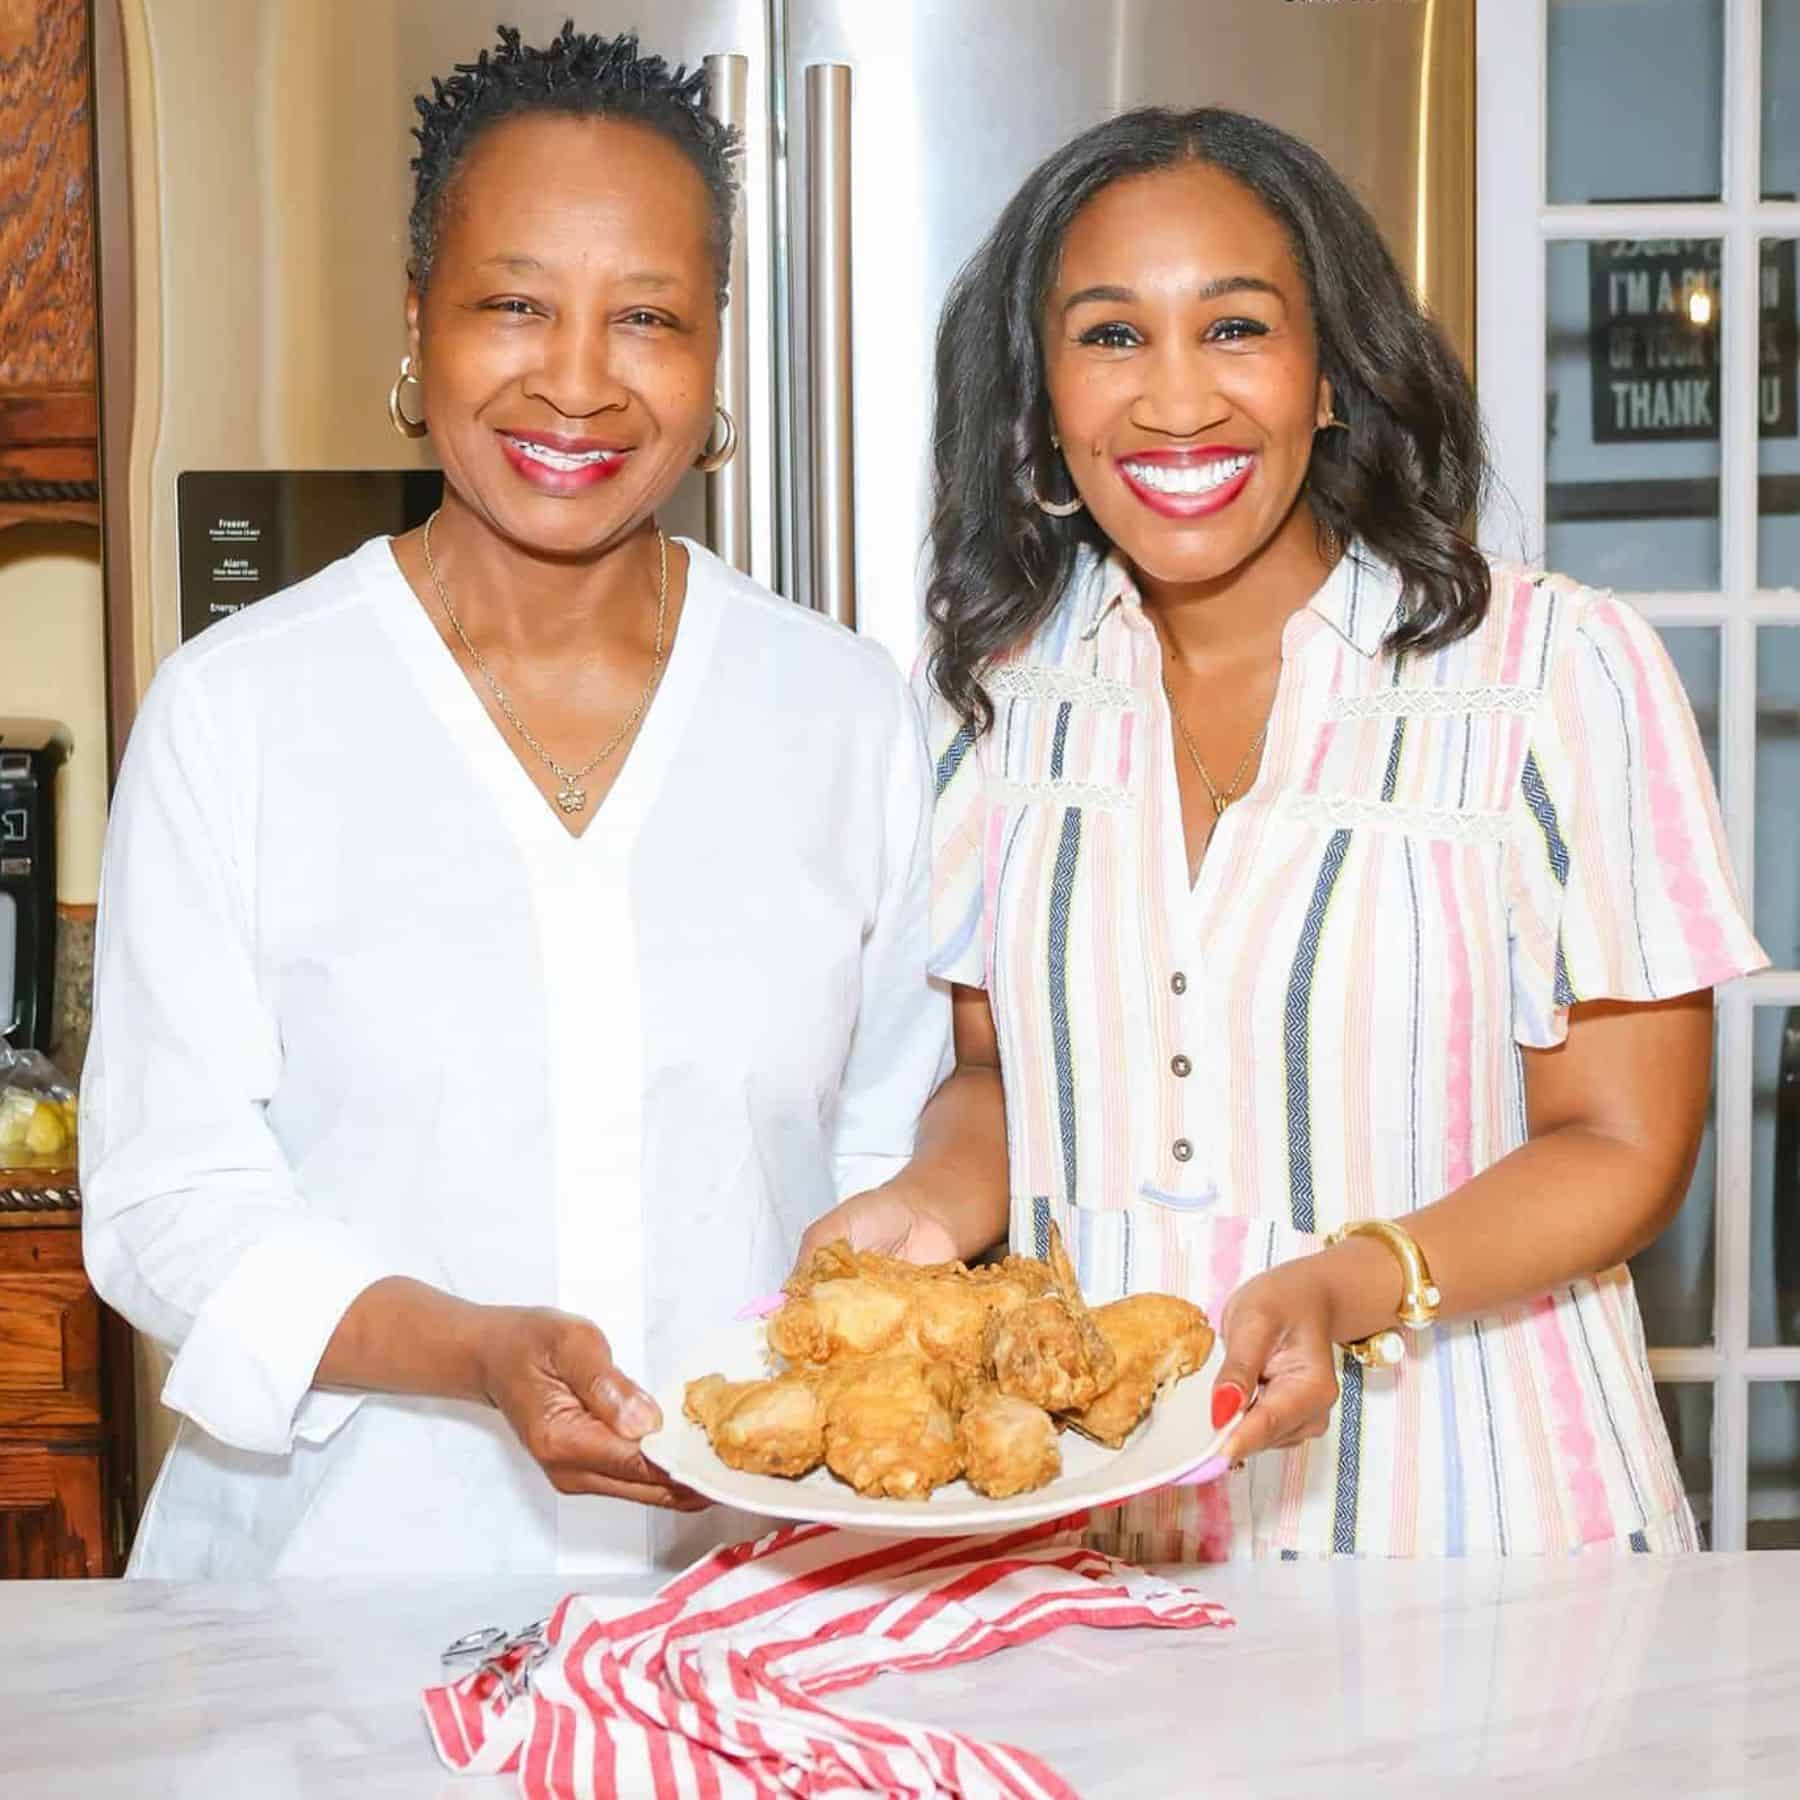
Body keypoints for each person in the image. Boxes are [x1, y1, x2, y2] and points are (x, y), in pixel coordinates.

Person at [802, 107, 1767, 1558]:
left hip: (1490, 1525)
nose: (1176, 403)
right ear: (1043, 396)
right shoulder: (997, 706)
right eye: (1112, 337)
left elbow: (1625, 1141)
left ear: (1330, 377)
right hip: (1117, 1535)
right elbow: (1003, 1083)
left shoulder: (1552, 674)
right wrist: (926, 1208)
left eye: (1237, 328)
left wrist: (1352, 1282)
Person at [81, 25, 946, 1578]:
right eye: (515, 304)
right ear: (417, 321)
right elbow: (165, 1198)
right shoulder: (243, 710)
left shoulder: (844, 716)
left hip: (743, 1608)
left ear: (718, 351)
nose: (577, 379)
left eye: (649, 319)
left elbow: (896, 1153)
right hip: (327, 1612)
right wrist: (467, 1349)